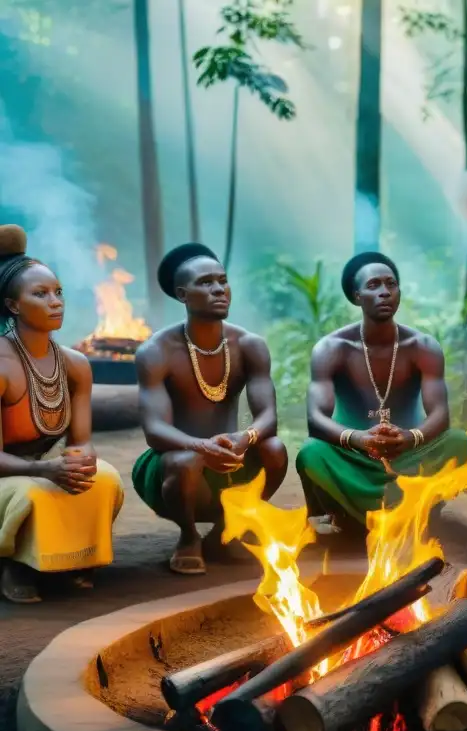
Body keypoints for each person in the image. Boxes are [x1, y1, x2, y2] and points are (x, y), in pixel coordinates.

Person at [132, 243, 288, 575]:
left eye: (222, 280)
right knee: (186, 461)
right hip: (172, 464)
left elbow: (269, 418)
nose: (218, 289)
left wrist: (244, 438)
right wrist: (200, 446)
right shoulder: (157, 351)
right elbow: (155, 431)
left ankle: (224, 532)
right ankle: (189, 537)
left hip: (232, 457)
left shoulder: (249, 345)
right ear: (182, 294)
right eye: (205, 282)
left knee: (274, 448)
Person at [295, 251, 467, 536]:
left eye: (391, 284)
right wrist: (360, 439)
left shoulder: (422, 346)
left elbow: (440, 414)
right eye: (374, 285)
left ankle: (418, 510)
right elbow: (316, 419)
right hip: (354, 456)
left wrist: (409, 437)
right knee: (311, 453)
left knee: (460, 442)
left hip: (408, 454)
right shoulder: (332, 348)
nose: (384, 293)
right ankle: (347, 515)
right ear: (356, 296)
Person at [0, 225, 124, 603]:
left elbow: (81, 441)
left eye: (58, 292)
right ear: (13, 306)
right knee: (29, 493)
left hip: (44, 465)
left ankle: (71, 561)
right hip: (9, 473)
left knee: (103, 478)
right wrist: (45, 470)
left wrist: (77, 461)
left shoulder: (75, 364)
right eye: (41, 294)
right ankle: (16, 566)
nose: (56, 302)